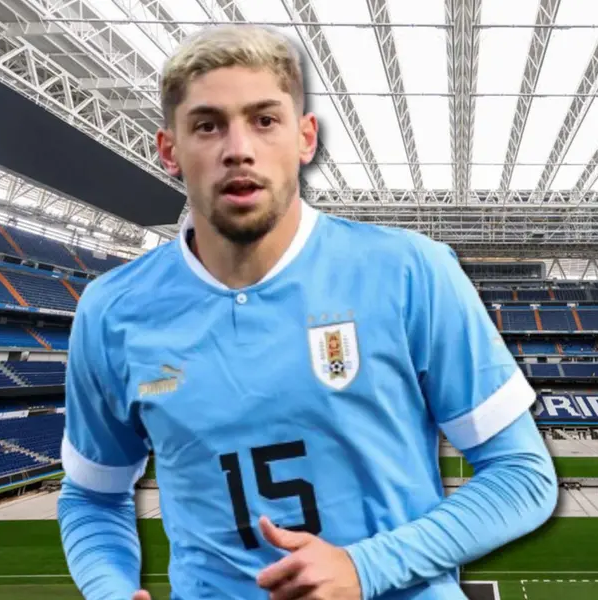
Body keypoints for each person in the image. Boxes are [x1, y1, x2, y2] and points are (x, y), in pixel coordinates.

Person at [56, 24, 558, 600]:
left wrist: (367, 567)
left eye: (264, 120)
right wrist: (110, 588)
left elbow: (522, 476)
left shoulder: (410, 272)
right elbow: (92, 496)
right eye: (207, 124)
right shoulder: (112, 311)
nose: (238, 147)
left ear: (305, 137)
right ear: (170, 149)